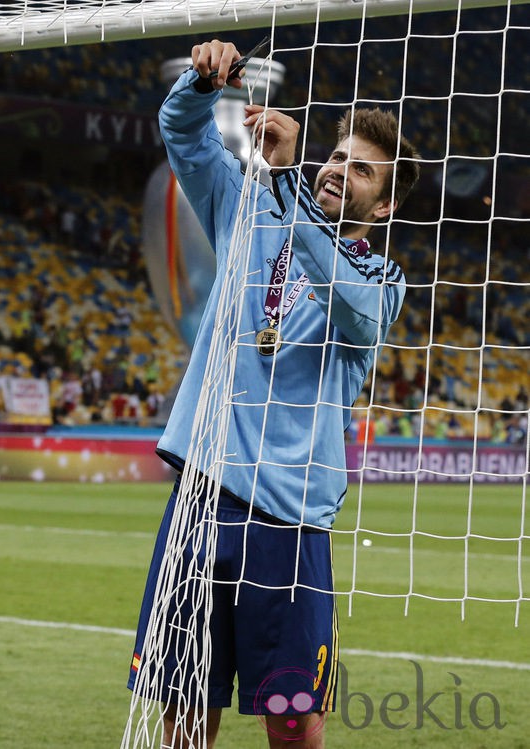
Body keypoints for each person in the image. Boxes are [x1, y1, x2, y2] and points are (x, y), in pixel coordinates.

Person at [127, 39, 420, 749]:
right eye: (337, 156)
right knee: (186, 711)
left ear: (380, 208)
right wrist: (204, 84)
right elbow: (182, 138)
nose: (338, 170)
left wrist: (286, 181)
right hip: (200, 496)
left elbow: (346, 305)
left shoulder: (380, 282)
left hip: (286, 522)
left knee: (290, 719)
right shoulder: (249, 209)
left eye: (361, 171)